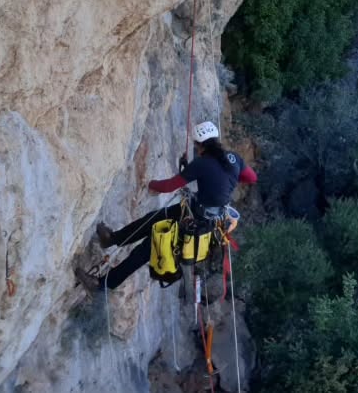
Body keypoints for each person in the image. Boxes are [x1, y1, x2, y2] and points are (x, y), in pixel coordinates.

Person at [75, 121, 257, 292]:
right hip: (199, 217)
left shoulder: (201, 164)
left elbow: (169, 186)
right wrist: (228, 182)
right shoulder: (234, 159)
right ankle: (112, 239)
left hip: (192, 223)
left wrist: (151, 184)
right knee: (151, 220)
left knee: (146, 249)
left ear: (200, 145)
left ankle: (103, 284)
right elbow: (251, 178)